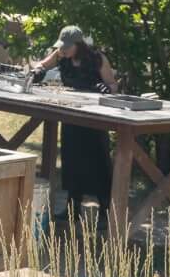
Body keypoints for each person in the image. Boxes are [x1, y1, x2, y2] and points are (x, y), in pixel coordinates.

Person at [29, 25, 117, 213]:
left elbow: (112, 84)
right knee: (71, 161)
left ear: (79, 44)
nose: (64, 49)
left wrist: (107, 89)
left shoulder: (97, 58)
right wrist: (37, 71)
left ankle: (104, 210)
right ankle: (72, 209)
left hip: (95, 117)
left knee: (98, 162)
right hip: (71, 114)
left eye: (68, 46)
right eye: (62, 46)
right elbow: (42, 64)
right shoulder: (61, 55)